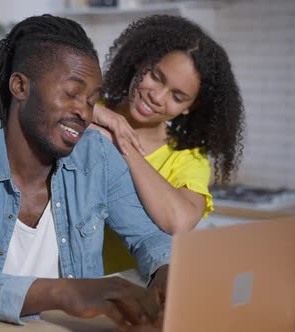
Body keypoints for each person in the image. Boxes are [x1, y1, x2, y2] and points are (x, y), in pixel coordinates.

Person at [0, 14, 170, 328]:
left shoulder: (97, 157)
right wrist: (63, 292)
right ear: (20, 86)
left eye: (91, 100)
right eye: (71, 93)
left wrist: (167, 276)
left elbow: (149, 237)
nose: (84, 113)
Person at [91, 15, 245, 274]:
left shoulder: (187, 159)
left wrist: (122, 143)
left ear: (190, 107)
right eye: (155, 76)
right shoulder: (93, 107)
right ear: (140, 60)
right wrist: (96, 115)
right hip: (60, 282)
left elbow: (178, 220)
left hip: (134, 288)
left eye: (177, 96)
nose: (156, 96)